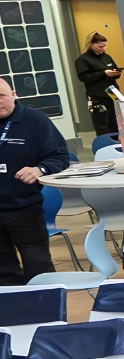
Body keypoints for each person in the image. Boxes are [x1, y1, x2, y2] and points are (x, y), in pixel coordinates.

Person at [0, 76, 73, 285]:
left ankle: (46, 303)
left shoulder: (35, 120)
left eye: (1, 96)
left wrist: (40, 169)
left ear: (14, 94)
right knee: (3, 272)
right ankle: (12, 305)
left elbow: (59, 156)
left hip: (24, 208)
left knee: (38, 269)